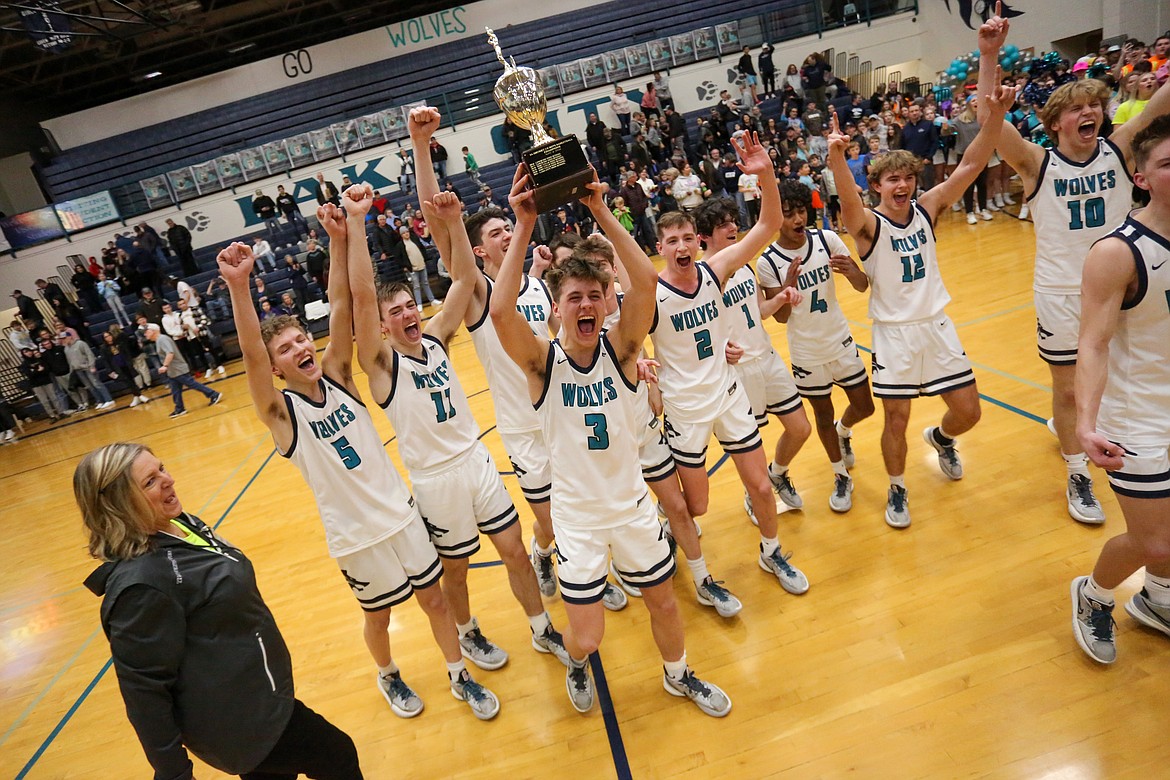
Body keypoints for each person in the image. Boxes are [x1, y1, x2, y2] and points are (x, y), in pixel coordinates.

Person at [218, 193, 499, 721]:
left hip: (400, 514)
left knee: (435, 600)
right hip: (355, 535)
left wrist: (345, 232)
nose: (299, 349)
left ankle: (459, 675)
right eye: (287, 350)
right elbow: (252, 353)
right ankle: (388, 675)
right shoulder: (282, 416)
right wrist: (240, 288)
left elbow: (349, 301)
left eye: (303, 340)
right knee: (379, 616)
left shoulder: (341, 377)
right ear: (277, 370)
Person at [491, 162, 732, 718]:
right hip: (576, 520)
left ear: (606, 304)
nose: (585, 305)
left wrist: (600, 206)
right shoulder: (541, 364)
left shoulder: (622, 351)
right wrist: (522, 224)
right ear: (557, 308)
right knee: (590, 638)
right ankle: (575, 661)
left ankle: (679, 675)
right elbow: (502, 310)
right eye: (574, 297)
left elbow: (645, 283)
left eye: (595, 296)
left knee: (664, 600)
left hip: (629, 507)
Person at [403, 107, 627, 610]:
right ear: (479, 254)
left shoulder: (544, 279)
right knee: (548, 517)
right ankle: (550, 552)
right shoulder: (481, 292)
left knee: (580, 504)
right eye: (496, 234)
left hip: (563, 410)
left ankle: (572, 561)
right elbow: (440, 226)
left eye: (509, 228)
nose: (507, 235)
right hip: (523, 428)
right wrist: (422, 146)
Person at [345, 182, 571, 677]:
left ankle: (540, 626)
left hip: (476, 460)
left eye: (410, 306)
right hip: (435, 479)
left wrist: (450, 220)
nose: (407, 315)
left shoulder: (437, 336)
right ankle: (467, 632)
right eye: (395, 313)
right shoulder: (382, 365)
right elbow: (361, 297)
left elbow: (466, 277)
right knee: (457, 569)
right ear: (381, 327)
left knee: (514, 549)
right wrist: (358, 225)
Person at [76, 442, 363, 779]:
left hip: (257, 696)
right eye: (149, 482)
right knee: (338, 755)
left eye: (162, 469)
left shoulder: (177, 524)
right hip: (242, 721)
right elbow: (144, 693)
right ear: (120, 504)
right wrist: (175, 774)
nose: (168, 480)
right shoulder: (143, 587)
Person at [825, 34, 1013, 528]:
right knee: (896, 419)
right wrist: (838, 160)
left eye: (907, 178)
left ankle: (944, 439)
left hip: (936, 324)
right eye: (892, 180)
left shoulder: (928, 209)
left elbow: (972, 163)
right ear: (878, 187)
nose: (902, 185)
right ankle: (897, 488)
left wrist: (993, 115)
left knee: (969, 412)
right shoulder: (869, 224)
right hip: (894, 333)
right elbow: (846, 206)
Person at [991, 22, 1170, 525]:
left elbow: (1161, 103)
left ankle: (1109, 441)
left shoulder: (1119, 147)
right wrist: (989, 55)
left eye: (1093, 103)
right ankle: (1076, 469)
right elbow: (990, 117)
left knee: (1117, 378)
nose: (1088, 111)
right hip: (1061, 292)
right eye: (1074, 108)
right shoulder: (1036, 164)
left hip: (1125, 284)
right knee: (1068, 389)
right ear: (1055, 124)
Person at [652, 133, 810, 594]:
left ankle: (770, 552)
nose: (681, 246)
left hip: (728, 393)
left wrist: (765, 176)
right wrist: (647, 376)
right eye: (671, 240)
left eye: (686, 238)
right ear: (660, 247)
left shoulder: (715, 269)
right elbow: (625, 342)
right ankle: (693, 564)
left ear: (696, 244)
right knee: (696, 507)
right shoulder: (651, 292)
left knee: (761, 487)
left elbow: (769, 223)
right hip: (685, 408)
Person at [1072, 115, 1170, 665]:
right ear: (1141, 178)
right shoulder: (1118, 253)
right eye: (1167, 164)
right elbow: (1093, 344)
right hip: (1137, 416)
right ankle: (1094, 595)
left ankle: (1158, 597)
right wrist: (1087, 424)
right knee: (1155, 541)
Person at [758, 180, 875, 511]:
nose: (798, 219)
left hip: (839, 339)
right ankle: (841, 476)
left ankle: (845, 430)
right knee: (822, 414)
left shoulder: (827, 240)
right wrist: (787, 287)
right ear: (775, 218)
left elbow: (862, 286)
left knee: (865, 407)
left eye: (801, 212)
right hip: (806, 351)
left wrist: (853, 270)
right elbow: (779, 318)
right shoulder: (768, 261)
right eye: (790, 214)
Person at [144, 324, 223, 418]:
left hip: (178, 369)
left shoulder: (162, 339)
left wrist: (165, 366)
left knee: (192, 384)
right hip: (173, 371)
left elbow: (170, 353)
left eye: (146, 332)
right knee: (175, 390)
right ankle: (179, 408)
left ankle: (213, 394)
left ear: (153, 331)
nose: (145, 334)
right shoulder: (159, 340)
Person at [63, 330, 115, 410]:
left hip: (87, 367)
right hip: (78, 370)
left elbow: (89, 354)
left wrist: (92, 366)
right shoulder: (66, 349)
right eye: (62, 338)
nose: (64, 340)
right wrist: (72, 371)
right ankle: (100, 401)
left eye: (65, 338)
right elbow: (69, 361)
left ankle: (108, 399)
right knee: (89, 387)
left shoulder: (80, 343)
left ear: (70, 336)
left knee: (96, 384)